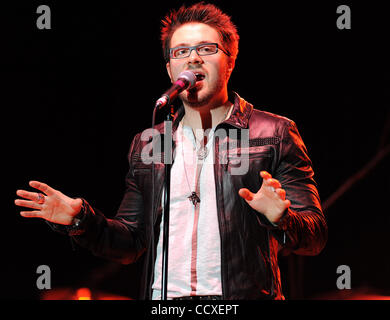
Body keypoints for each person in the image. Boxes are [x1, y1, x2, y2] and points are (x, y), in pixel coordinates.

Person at [15, 2, 327, 300]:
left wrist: (282, 218)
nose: (193, 59)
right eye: (181, 52)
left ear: (230, 60)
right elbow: (130, 242)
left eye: (206, 49)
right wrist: (81, 219)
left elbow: (315, 236)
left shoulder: (274, 133)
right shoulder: (151, 142)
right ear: (170, 69)